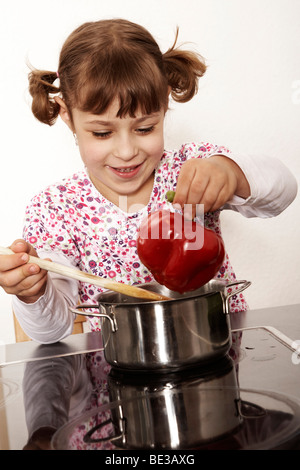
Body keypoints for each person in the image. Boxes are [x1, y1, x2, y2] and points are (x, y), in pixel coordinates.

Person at [0, 19, 297, 343]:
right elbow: (51, 330)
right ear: (67, 114)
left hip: (222, 361)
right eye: (102, 133)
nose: (127, 151)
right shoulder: (57, 208)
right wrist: (34, 293)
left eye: (144, 128)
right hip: (117, 380)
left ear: (164, 103)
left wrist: (232, 173)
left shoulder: (192, 167)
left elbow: (283, 189)